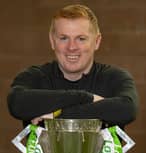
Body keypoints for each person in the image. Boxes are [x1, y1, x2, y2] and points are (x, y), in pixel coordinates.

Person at [7, 4, 138, 129]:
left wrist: (58, 115)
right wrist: (86, 98)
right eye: (63, 38)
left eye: (81, 39)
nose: (71, 47)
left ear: (97, 42)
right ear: (52, 41)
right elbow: (16, 103)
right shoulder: (35, 77)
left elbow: (127, 109)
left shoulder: (114, 78)